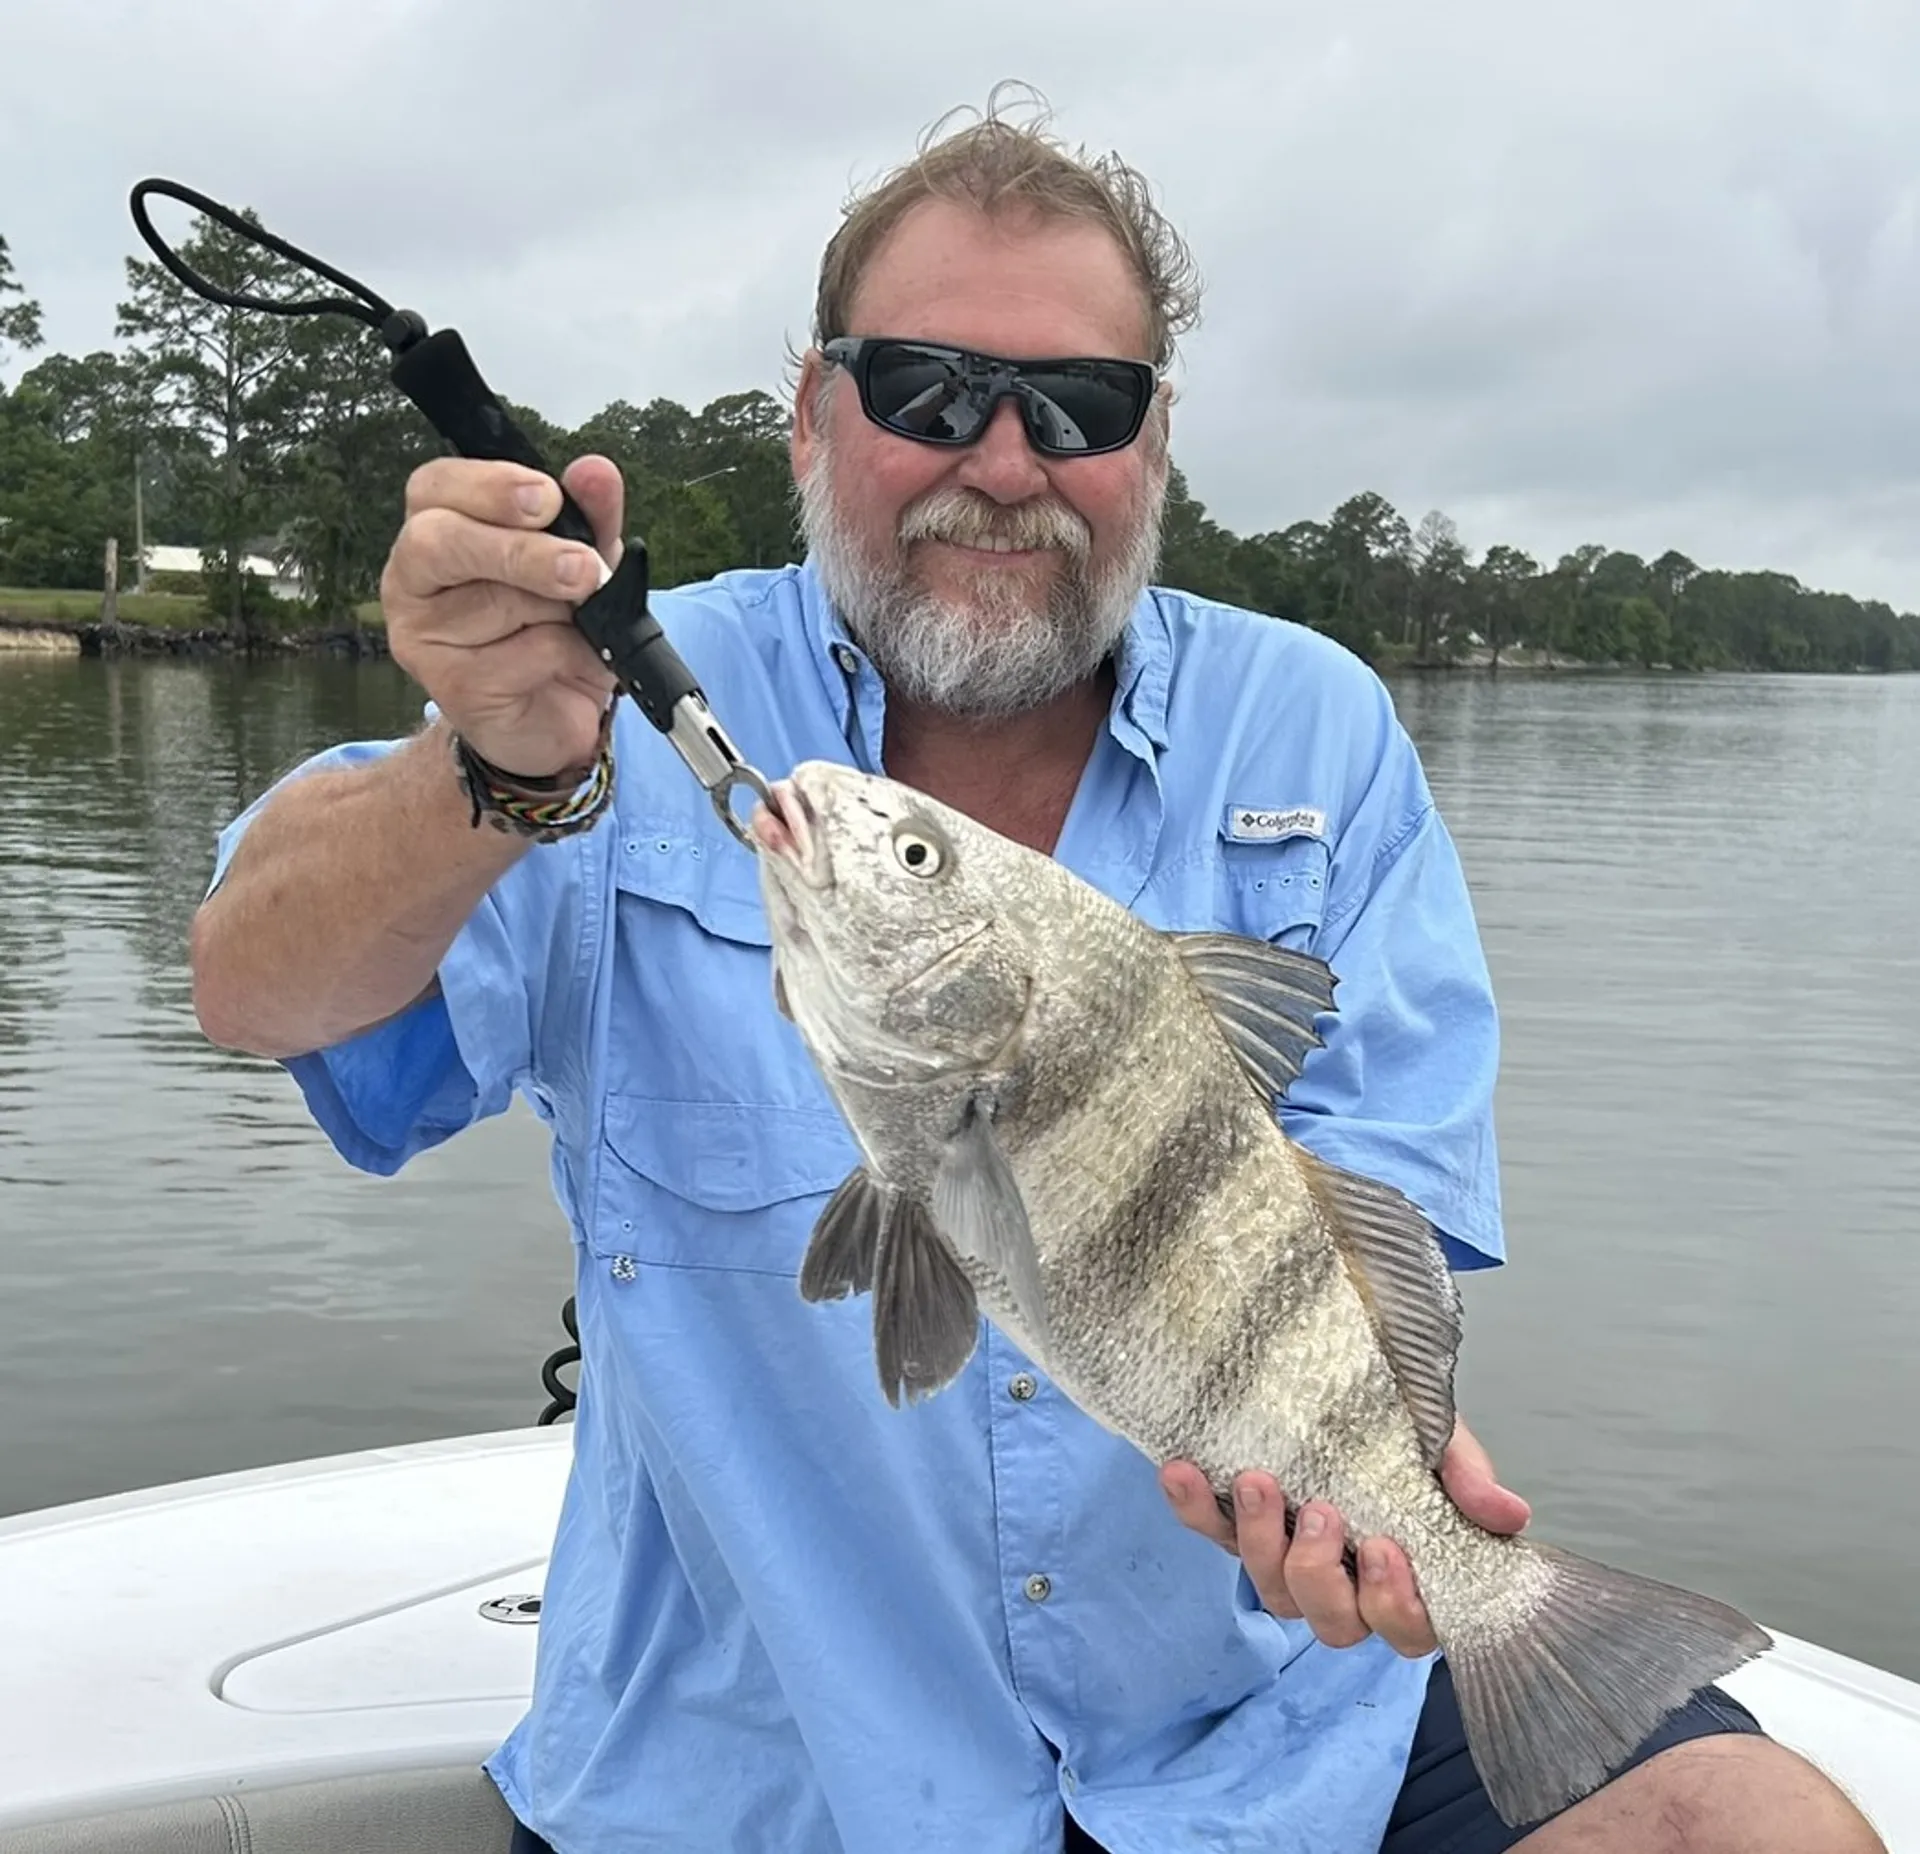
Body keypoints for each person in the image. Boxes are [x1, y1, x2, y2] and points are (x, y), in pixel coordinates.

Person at [190, 98, 1884, 1854]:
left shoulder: (1315, 729)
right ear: (812, 411)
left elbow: (1378, 1224)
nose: (1002, 463)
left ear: (1156, 445)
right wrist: (483, 768)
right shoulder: (598, 707)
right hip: (771, 1763)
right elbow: (253, 991)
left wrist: (1388, 1479)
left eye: (1078, 404)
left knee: (1748, 1827)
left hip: (1269, 1716)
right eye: (927, 390)